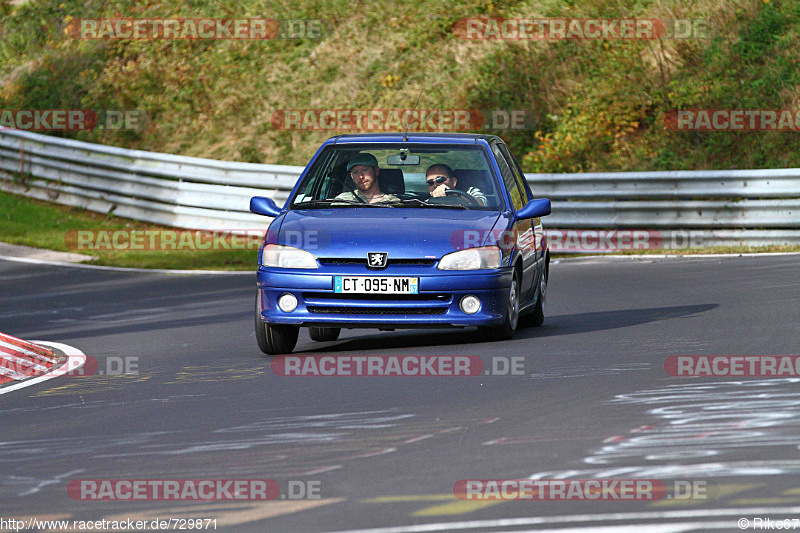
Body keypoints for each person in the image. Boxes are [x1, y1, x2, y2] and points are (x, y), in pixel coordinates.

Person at [334, 153, 399, 204]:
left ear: (376, 171)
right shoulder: (342, 201)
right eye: (355, 172)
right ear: (352, 176)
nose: (361, 176)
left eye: (365, 170)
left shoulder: (394, 203)